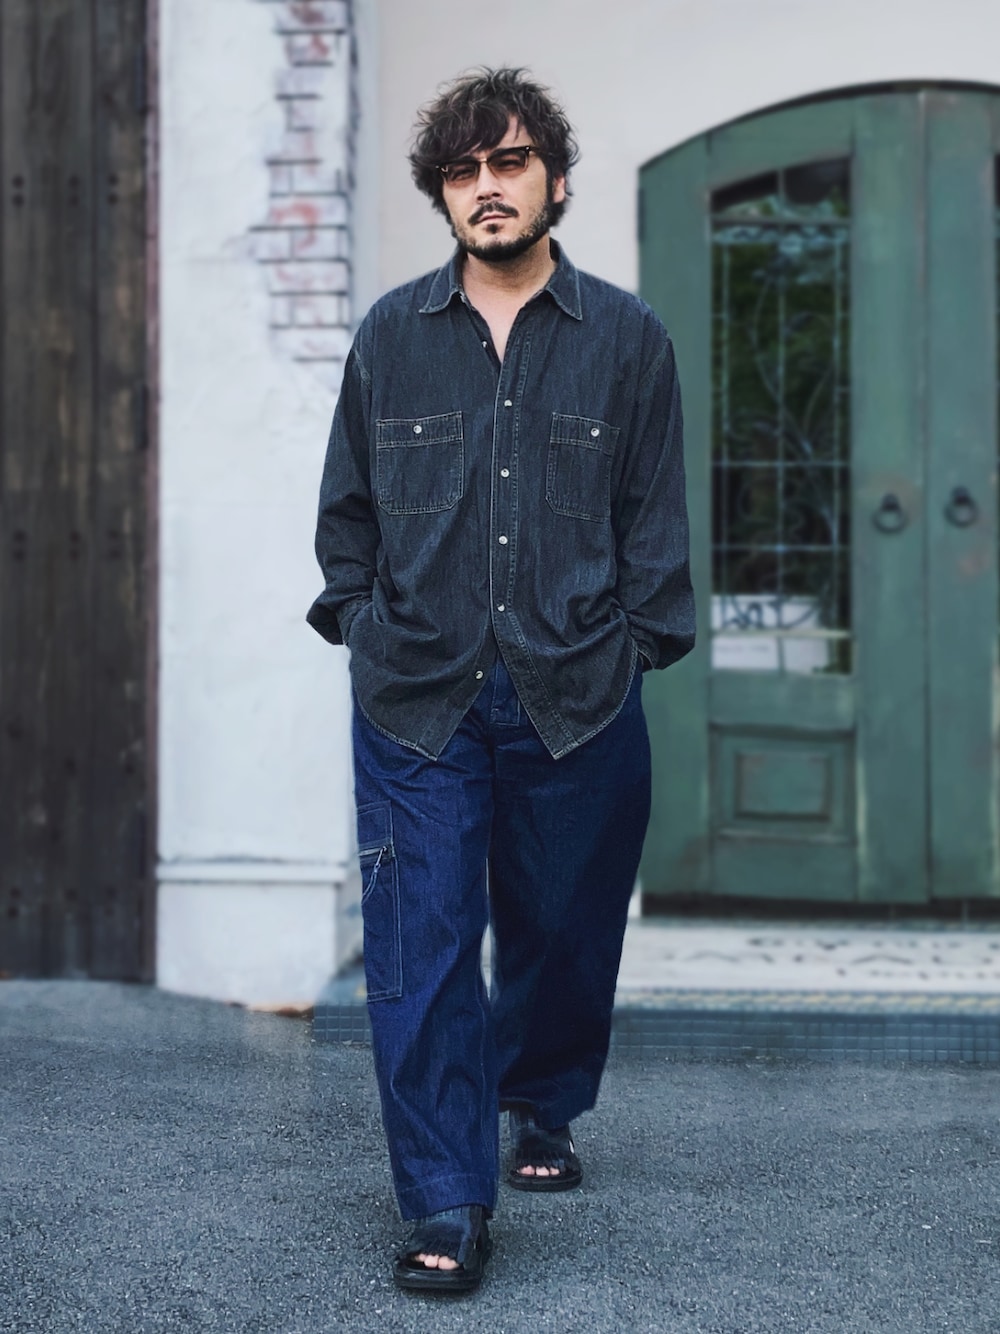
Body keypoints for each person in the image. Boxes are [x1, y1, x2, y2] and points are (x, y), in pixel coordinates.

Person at [307, 66, 694, 1294]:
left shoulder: (628, 340)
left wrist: (631, 646)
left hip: (576, 693)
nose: (486, 186)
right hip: (416, 699)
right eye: (463, 170)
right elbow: (347, 517)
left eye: (510, 162)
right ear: (442, 194)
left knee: (563, 927)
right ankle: (444, 1193)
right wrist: (366, 625)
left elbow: (654, 523)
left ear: (554, 182)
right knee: (419, 946)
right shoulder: (390, 337)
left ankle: (543, 1096)